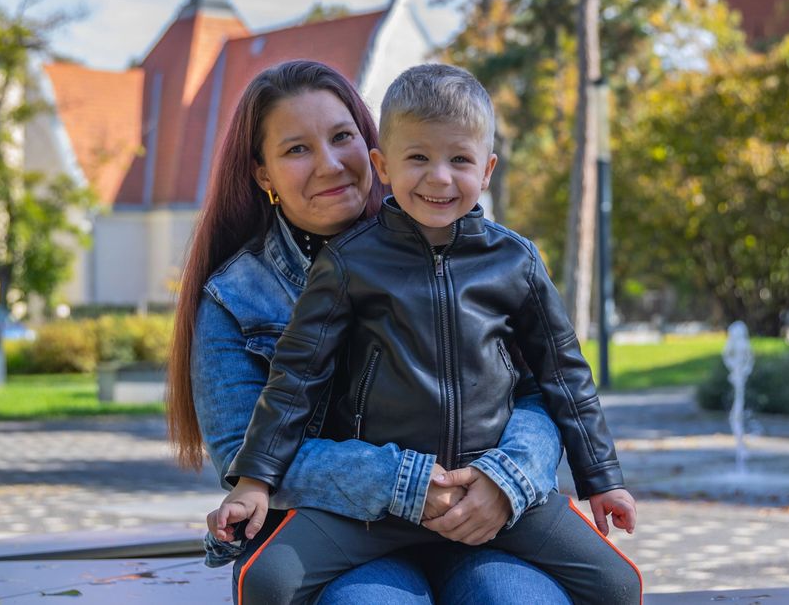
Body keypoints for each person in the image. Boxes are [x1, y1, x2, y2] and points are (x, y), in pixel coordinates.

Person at [212, 63, 643, 605]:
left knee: (619, 586)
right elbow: (296, 377)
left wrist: (600, 477)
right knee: (267, 582)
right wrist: (254, 480)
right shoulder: (349, 264)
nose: (439, 177)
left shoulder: (515, 261)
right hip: (381, 507)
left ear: (486, 170)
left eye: (459, 159)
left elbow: (562, 375)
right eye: (418, 157)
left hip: (490, 493)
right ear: (383, 165)